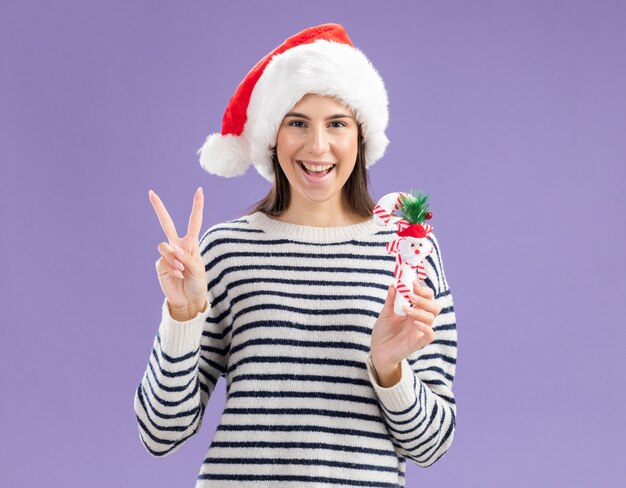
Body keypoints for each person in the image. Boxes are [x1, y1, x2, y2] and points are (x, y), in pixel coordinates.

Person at [134, 23, 457, 487]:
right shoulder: (225, 251)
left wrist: (389, 369)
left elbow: (433, 444)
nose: (317, 146)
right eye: (297, 122)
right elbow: (160, 432)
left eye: (337, 124)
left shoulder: (408, 252)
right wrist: (183, 315)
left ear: (361, 136)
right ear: (273, 136)